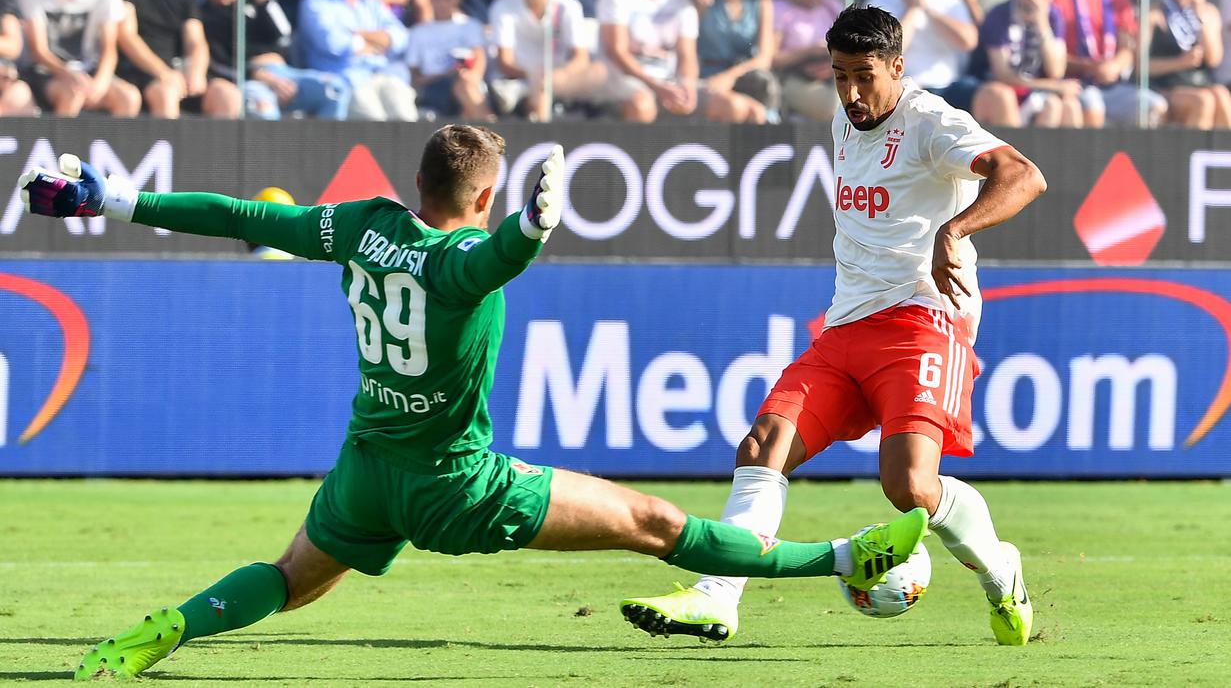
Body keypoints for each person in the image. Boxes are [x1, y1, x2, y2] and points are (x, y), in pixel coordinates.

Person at [19, 126, 929, 680]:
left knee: (291, 579)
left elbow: (243, 217)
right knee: (654, 523)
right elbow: (491, 260)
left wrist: (114, 197)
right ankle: (848, 557)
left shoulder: (357, 226)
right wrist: (530, 230)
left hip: (368, 472)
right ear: (482, 195)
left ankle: (165, 629)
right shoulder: (464, 263)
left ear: (416, 185)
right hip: (459, 487)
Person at [622, 5, 1045, 647]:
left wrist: (953, 230)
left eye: (864, 76)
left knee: (908, 487)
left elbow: (1025, 176)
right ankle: (716, 599)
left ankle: (999, 569)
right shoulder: (844, 124)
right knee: (762, 445)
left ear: (898, 67)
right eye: (839, 76)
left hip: (923, 320)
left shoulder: (931, 121)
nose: (850, 93)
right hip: (847, 325)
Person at [199, 0, 351, 120]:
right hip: (250, 79)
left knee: (334, 90)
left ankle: (323, 147)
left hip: (282, 72)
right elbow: (218, 63)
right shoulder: (206, 13)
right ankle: (275, 149)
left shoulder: (254, 0)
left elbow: (283, 33)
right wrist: (257, 75)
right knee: (262, 108)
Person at [297, 0, 418, 121]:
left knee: (405, 116)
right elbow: (333, 43)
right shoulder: (314, 2)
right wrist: (377, 43)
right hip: (345, 81)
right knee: (375, 122)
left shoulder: (372, 3)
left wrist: (357, 34)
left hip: (383, 74)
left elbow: (400, 38)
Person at [17, 0, 140, 116]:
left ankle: (116, 138)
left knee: (129, 97)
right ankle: (64, 138)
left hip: (89, 70)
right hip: (46, 71)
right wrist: (68, 74)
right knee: (72, 94)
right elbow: (38, 51)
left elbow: (109, 49)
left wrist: (101, 82)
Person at [1053, 0, 1167, 128]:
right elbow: (1054, 60)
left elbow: (1127, 49)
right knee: (1094, 107)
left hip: (1113, 84)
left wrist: (1115, 66)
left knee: (1156, 106)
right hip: (1077, 83)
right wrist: (1089, 67)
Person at [487, 0, 606, 121]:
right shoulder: (503, 6)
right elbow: (505, 62)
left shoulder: (567, 5)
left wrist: (558, 75)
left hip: (561, 80)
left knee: (599, 72)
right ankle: (543, 136)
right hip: (519, 80)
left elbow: (581, 58)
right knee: (541, 85)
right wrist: (535, 76)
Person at [970, 0, 1082, 128]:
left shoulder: (1053, 16)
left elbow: (1056, 71)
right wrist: (1052, 86)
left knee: (1066, 105)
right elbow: (1002, 74)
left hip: (1032, 90)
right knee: (1006, 96)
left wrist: (1042, 25)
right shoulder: (998, 15)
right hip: (998, 88)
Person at [866, 0, 980, 110]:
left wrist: (926, 8)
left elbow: (968, 42)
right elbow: (883, 52)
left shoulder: (950, 1)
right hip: (904, 87)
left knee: (994, 96)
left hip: (951, 86)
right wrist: (913, 8)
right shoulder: (876, 3)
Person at [595, 0, 700, 122]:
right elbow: (616, 52)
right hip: (624, 79)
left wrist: (687, 85)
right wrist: (656, 87)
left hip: (669, 83)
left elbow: (687, 55)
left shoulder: (683, 3)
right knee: (642, 106)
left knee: (732, 106)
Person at [114, 0, 213, 118]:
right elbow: (127, 36)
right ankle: (168, 140)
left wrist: (197, 72)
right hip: (136, 71)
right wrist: (163, 73)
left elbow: (196, 40)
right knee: (167, 93)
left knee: (226, 95)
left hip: (176, 71)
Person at [1147, 0, 1231, 129]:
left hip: (1199, 82)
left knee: (1222, 95)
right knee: (1203, 101)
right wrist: (1180, 62)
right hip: (1167, 85)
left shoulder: (1209, 13)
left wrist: (1199, 14)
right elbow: (1142, 67)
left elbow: (1214, 59)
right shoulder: (1155, 14)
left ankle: (1224, 150)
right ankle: (1193, 150)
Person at [404, 0, 492, 120]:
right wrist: (446, 74)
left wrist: (469, 76)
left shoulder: (471, 26)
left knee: (465, 86)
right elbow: (415, 79)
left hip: (467, 83)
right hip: (433, 89)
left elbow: (479, 59)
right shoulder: (418, 32)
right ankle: (491, 132)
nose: (442, 3)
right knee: (464, 88)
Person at [696, 0, 779, 124]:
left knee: (756, 114)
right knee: (736, 108)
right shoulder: (702, 1)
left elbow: (764, 58)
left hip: (747, 80)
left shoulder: (762, 4)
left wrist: (730, 77)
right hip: (709, 79)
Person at [771, 0, 843, 122]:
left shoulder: (831, 6)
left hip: (832, 75)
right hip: (791, 77)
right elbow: (772, 60)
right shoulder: (779, 9)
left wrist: (832, 66)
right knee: (835, 107)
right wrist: (809, 52)